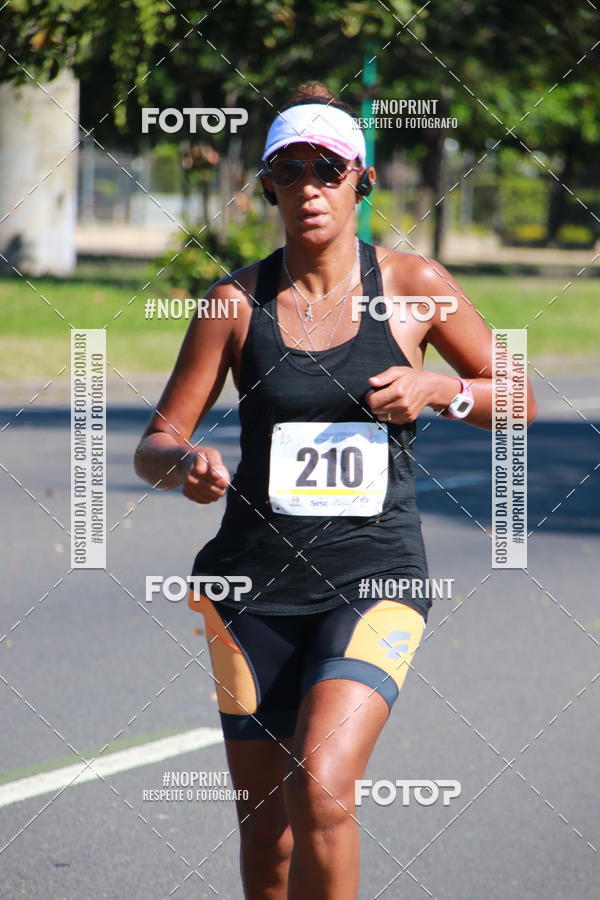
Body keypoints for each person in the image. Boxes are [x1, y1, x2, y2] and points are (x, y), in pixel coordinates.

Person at [134, 81, 537, 899]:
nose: (310, 187)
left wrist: (438, 392)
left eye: (328, 169)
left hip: (374, 576)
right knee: (268, 833)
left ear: (362, 181)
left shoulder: (414, 284)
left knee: (320, 785)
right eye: (291, 170)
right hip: (250, 587)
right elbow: (158, 440)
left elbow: (519, 394)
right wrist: (185, 466)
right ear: (269, 185)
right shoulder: (233, 303)